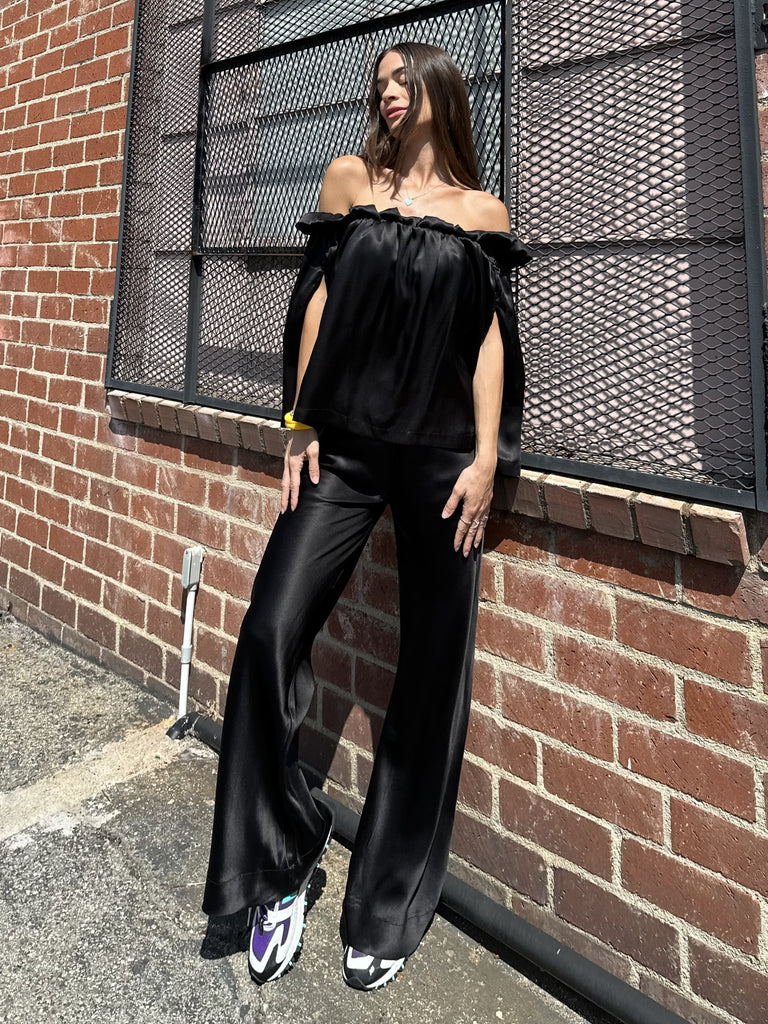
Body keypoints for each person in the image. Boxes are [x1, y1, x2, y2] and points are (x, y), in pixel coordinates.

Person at [202, 40, 531, 992]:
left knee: (430, 672)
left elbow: (488, 342)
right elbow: (317, 301)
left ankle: (385, 902)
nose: (386, 93)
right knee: (269, 631)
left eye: (402, 79)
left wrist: (484, 459)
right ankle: (279, 866)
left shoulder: (483, 213)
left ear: (439, 90)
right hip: (343, 448)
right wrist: (299, 419)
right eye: (378, 83)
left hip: (442, 462)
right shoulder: (351, 179)